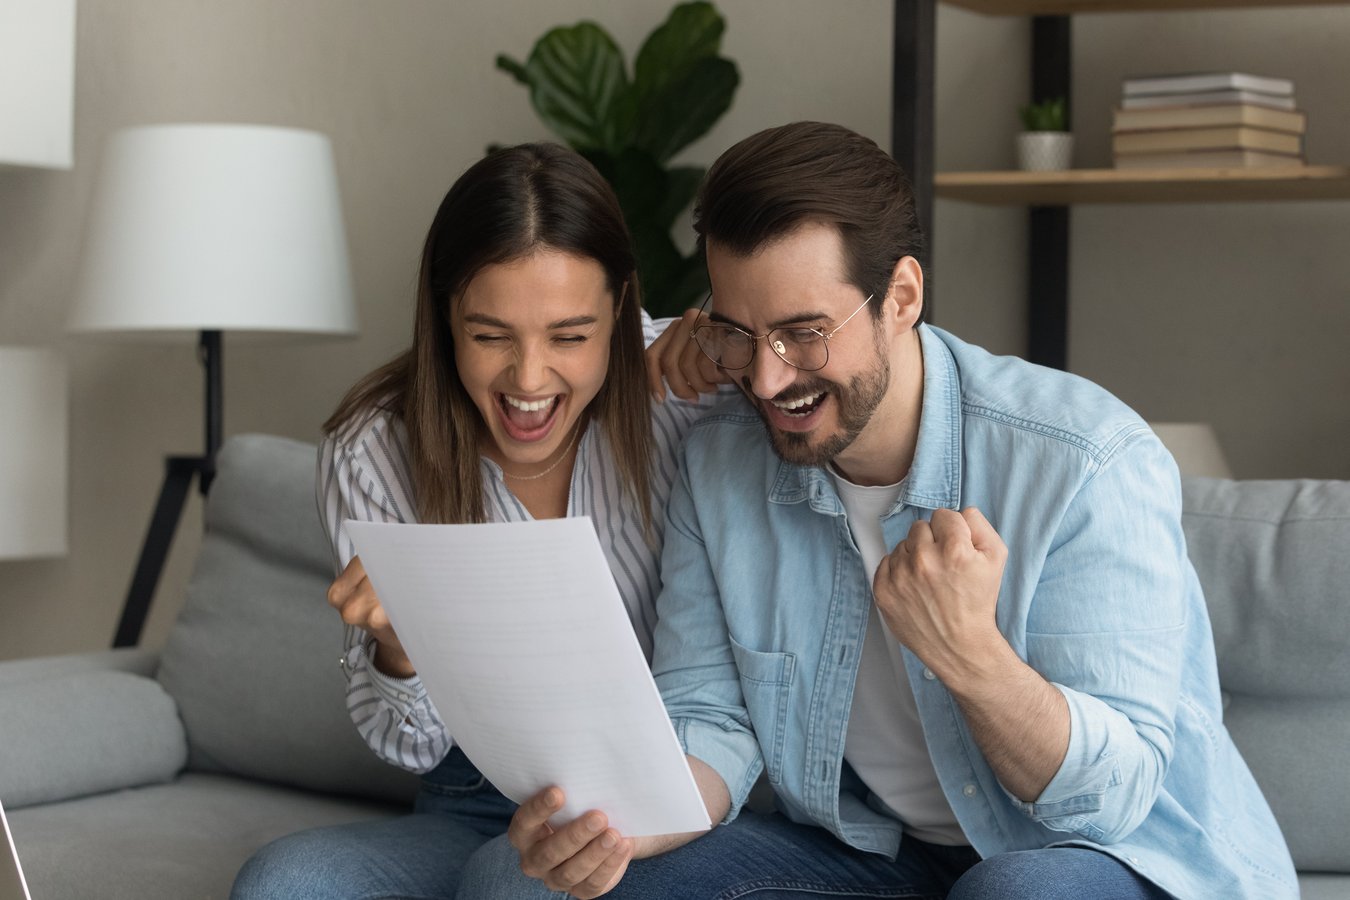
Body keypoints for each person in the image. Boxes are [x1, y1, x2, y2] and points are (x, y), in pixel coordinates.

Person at [459, 122, 1298, 899]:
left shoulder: (1084, 460)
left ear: (901, 297)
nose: (767, 379)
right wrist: (620, 828)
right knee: (568, 884)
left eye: (803, 332)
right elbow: (708, 719)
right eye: (739, 333)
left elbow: (1107, 803)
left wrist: (969, 656)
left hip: (1104, 856)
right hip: (873, 851)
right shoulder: (719, 460)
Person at [229, 142, 712, 899]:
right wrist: (398, 647)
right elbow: (411, 747)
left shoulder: (685, 392)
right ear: (445, 314)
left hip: (661, 793)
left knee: (516, 886)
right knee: (284, 884)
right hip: (472, 797)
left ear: (620, 308)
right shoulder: (371, 451)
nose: (527, 379)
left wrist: (730, 348)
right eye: (489, 336)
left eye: (570, 336)